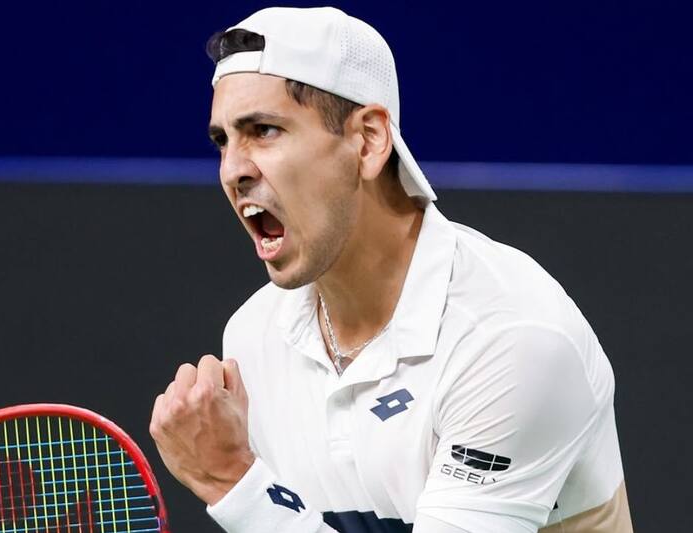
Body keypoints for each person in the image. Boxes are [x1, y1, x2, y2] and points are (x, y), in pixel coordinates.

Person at [149, 7, 633, 532]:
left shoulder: (510, 337)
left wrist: (233, 484)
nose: (233, 170)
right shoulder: (254, 338)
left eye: (263, 131)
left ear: (370, 139)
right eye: (223, 141)